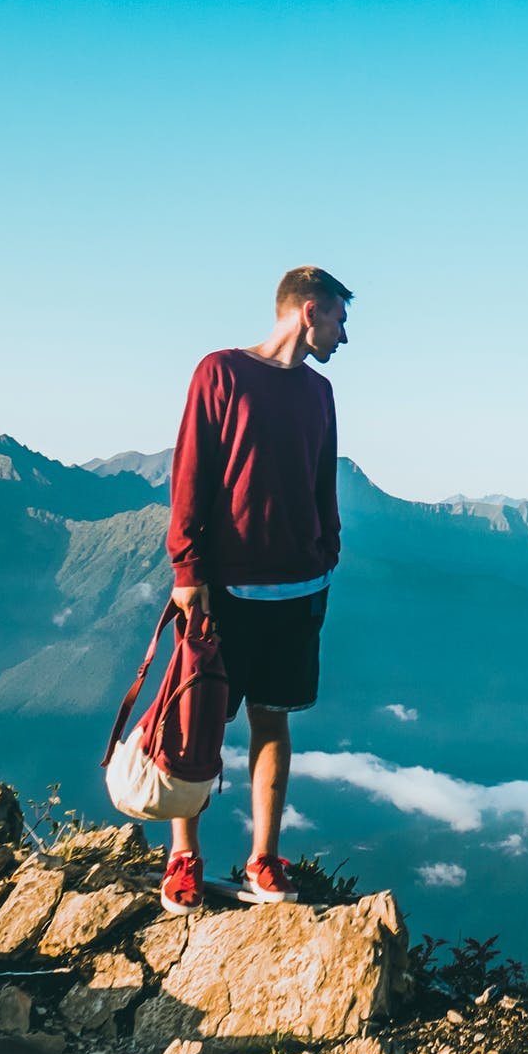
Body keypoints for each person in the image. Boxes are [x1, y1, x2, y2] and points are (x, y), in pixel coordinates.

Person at [159, 266, 351, 914]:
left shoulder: (319, 393)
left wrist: (328, 548)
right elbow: (191, 472)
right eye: (338, 320)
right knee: (198, 729)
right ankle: (184, 860)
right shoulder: (220, 374)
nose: (343, 336)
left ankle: (263, 861)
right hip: (226, 592)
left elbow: (323, 478)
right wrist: (187, 573)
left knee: (273, 723)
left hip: (300, 590)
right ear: (309, 310)